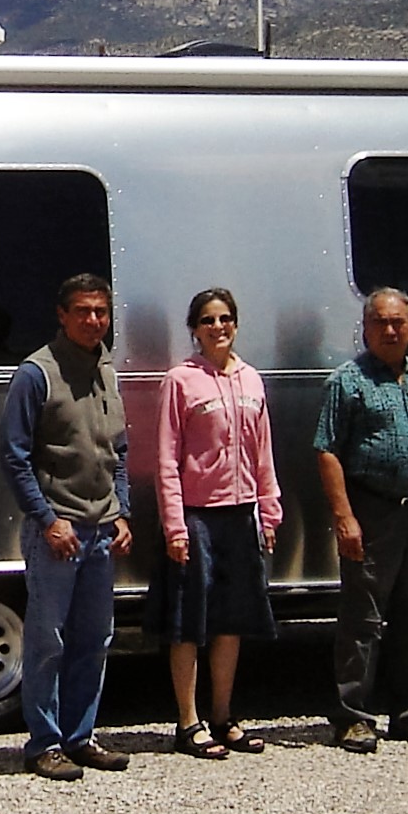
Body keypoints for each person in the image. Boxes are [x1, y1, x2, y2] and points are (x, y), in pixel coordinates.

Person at [313, 287, 408, 753]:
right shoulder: (348, 381)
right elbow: (327, 451)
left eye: (398, 322)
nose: (390, 329)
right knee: (363, 618)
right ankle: (353, 717)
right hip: (373, 510)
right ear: (365, 328)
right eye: (380, 322)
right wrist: (344, 517)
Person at [0, 273, 133, 781]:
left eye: (101, 312)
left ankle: (81, 737)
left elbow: (117, 448)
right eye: (83, 311)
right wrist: (48, 520)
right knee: (47, 639)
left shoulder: (105, 367)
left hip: (101, 528)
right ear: (62, 314)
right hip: (59, 530)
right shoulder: (37, 373)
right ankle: (43, 743)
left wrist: (122, 509)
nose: (93, 320)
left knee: (94, 639)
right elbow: (13, 455)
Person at [152, 287, 281, 758]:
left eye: (226, 318)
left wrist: (269, 511)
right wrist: (175, 525)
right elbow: (166, 457)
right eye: (208, 320)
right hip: (196, 515)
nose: (218, 327)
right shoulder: (181, 381)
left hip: (241, 513)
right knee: (189, 621)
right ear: (195, 328)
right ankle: (188, 721)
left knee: (231, 620)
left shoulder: (251, 379)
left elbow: (263, 453)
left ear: (236, 324)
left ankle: (223, 716)